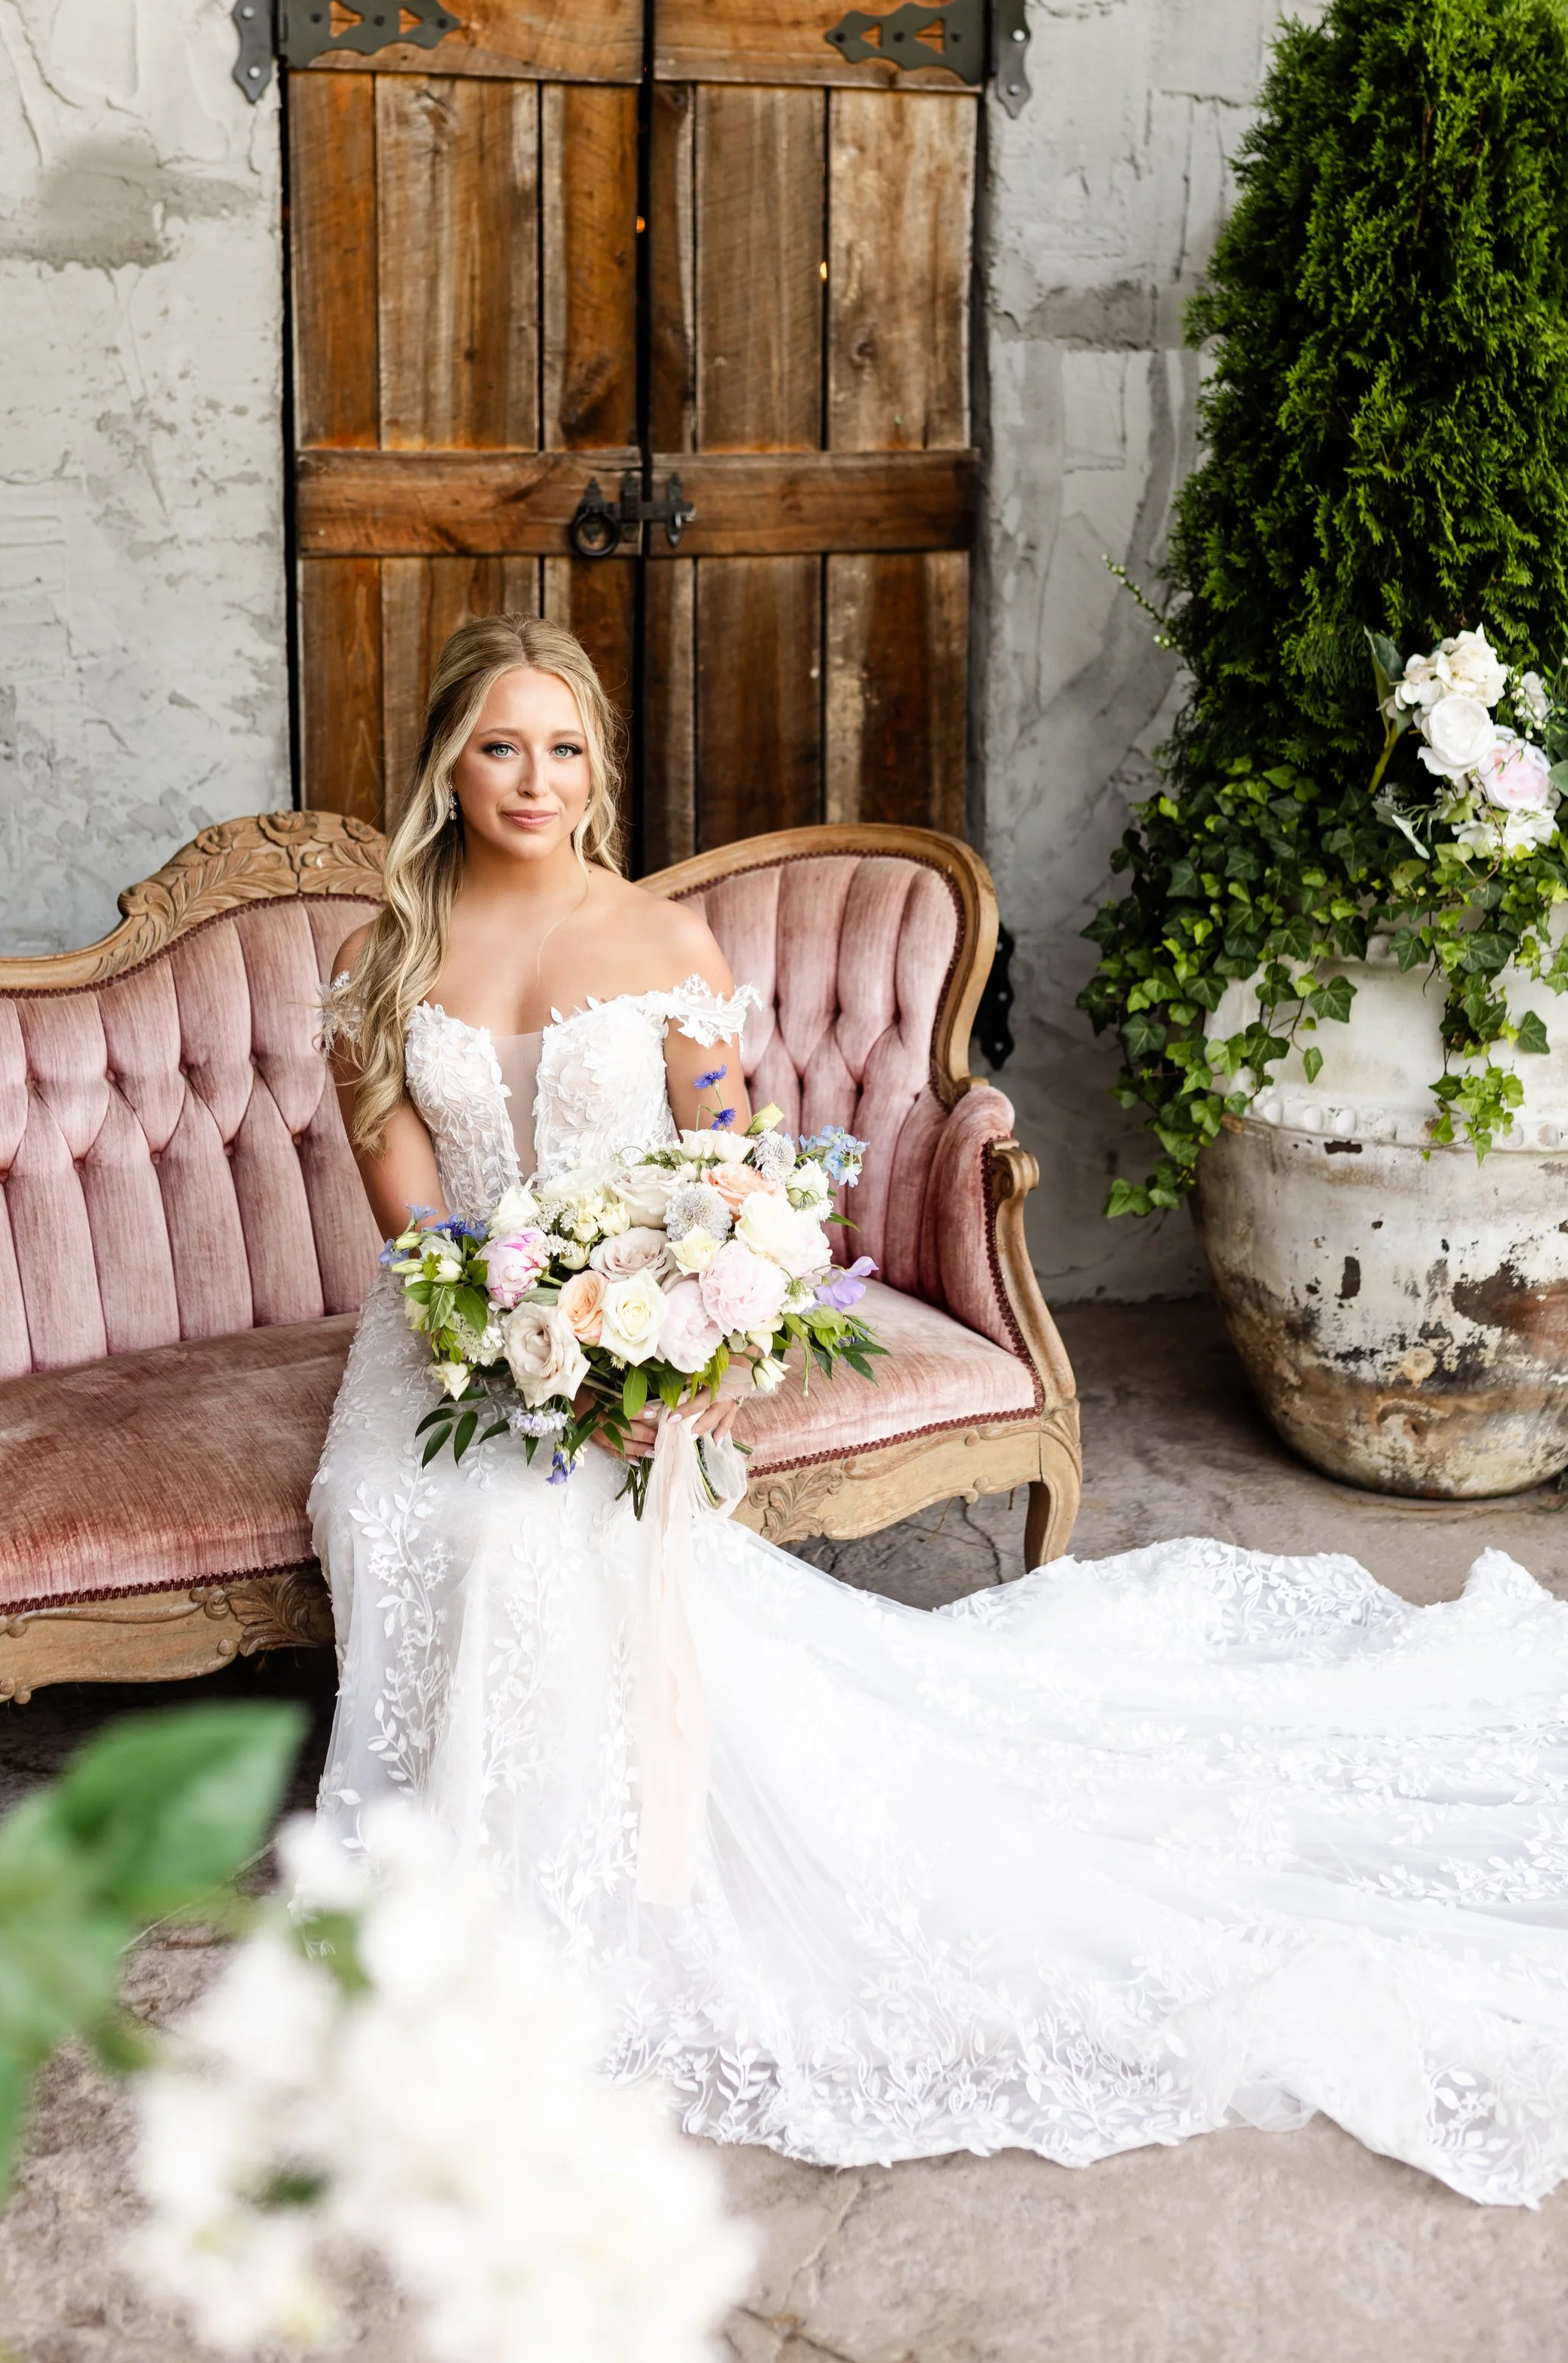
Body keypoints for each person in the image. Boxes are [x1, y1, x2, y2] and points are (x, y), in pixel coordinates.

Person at [311, 614, 1568, 2205]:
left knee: (530, 1522)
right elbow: (413, 1220)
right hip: (450, 1347)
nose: (533, 778)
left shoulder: (660, 945)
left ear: (596, 768)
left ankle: (578, 1894)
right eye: (500, 745)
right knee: (421, 1497)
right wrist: (507, 1340)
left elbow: (734, 1181)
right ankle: (459, 1870)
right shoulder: (381, 961)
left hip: (627, 1337)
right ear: (443, 760)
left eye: (563, 747)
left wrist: (661, 1359)